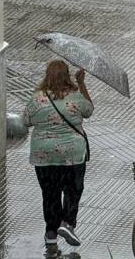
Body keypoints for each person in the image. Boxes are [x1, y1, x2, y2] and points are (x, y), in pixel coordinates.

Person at [22, 60, 93, 249]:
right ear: (67, 75)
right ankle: (68, 223)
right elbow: (89, 111)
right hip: (72, 155)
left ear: (47, 75)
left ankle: (51, 233)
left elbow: (25, 120)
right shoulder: (76, 96)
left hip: (45, 157)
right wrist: (82, 84)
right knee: (73, 189)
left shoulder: (37, 98)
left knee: (50, 193)